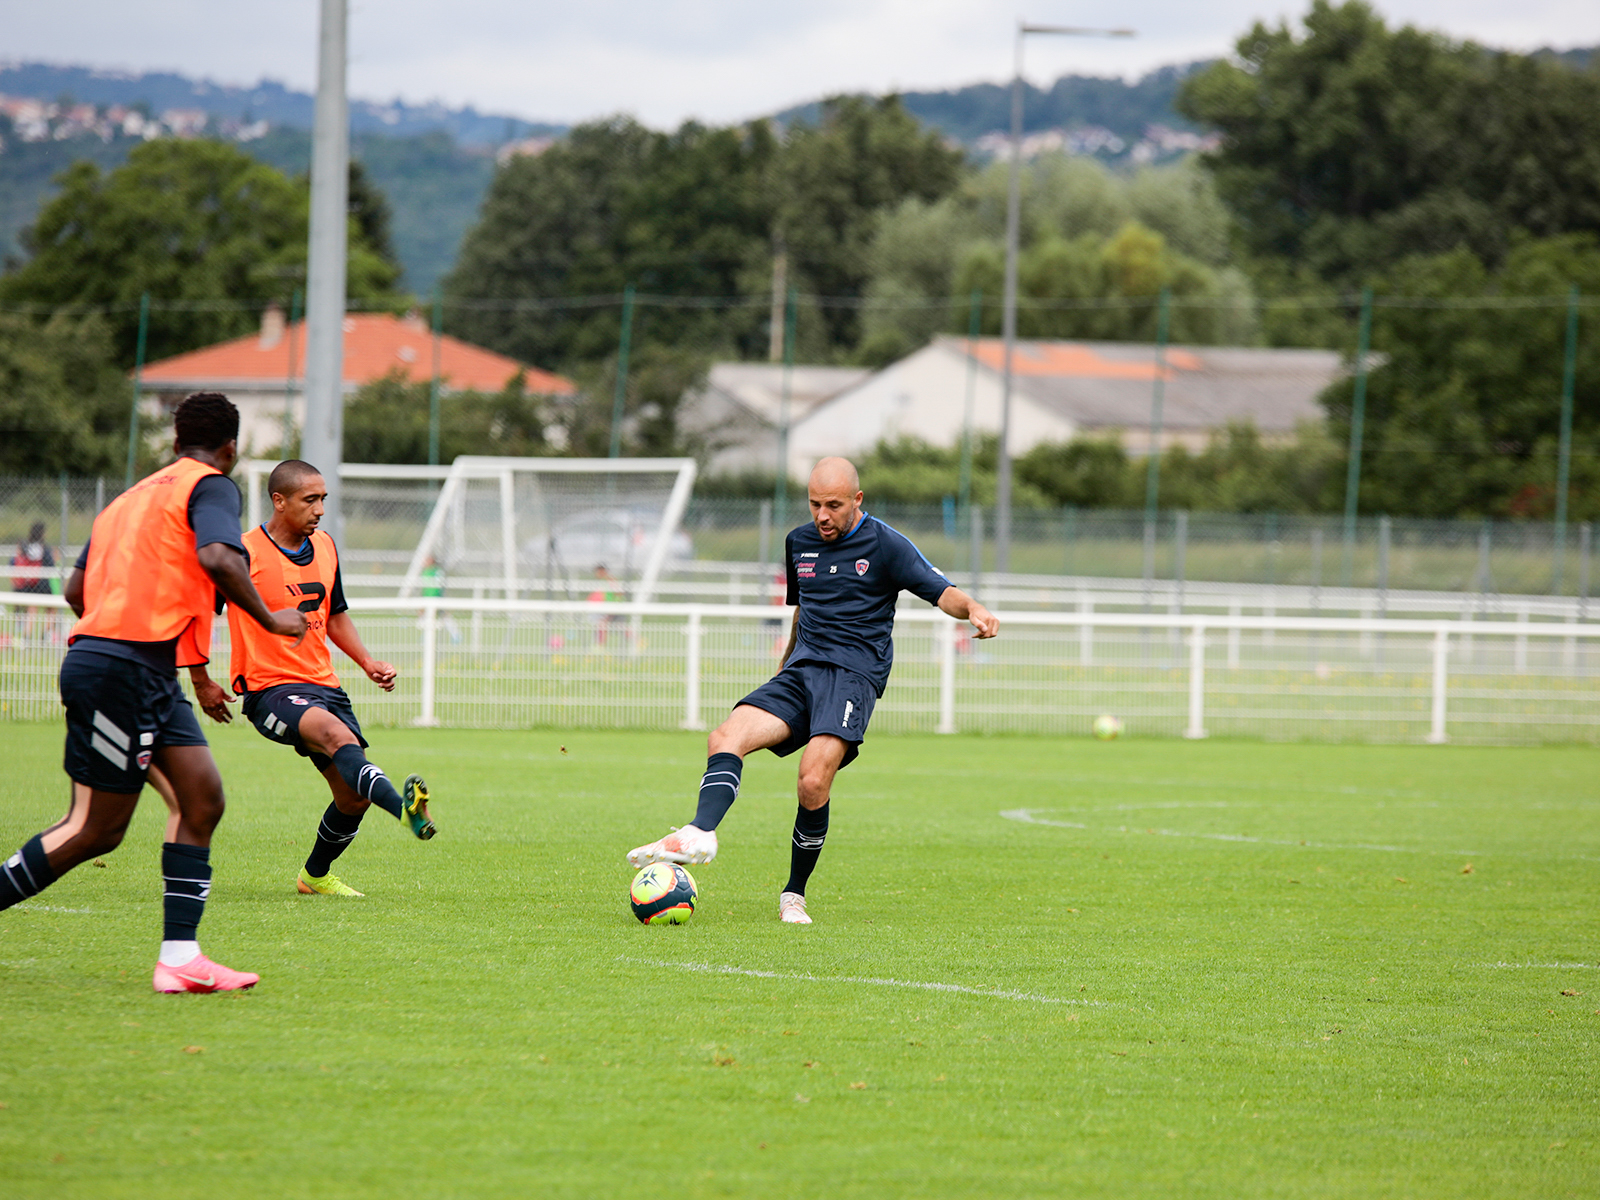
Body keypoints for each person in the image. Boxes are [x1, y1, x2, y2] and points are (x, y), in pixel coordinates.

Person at [0, 392, 307, 993]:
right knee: (95, 828)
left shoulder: (127, 500)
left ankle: (181, 958)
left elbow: (74, 589)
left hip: (141, 669)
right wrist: (271, 619)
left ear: (172, 442)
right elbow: (218, 556)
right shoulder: (211, 484)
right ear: (230, 448)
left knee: (201, 800)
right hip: (125, 669)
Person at [627, 456, 998, 924]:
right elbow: (803, 611)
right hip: (801, 672)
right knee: (724, 738)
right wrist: (783, 668)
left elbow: (942, 591)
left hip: (853, 677)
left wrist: (976, 610)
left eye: (834, 505)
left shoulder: (886, 545)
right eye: (815, 504)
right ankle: (700, 832)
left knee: (812, 780)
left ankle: (793, 894)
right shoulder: (798, 542)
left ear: (857, 500)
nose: (822, 515)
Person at [226, 459, 435, 898]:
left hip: (324, 684)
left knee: (352, 797)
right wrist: (200, 678)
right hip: (270, 688)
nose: (320, 509)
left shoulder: (325, 547)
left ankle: (314, 876)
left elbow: (333, 615)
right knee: (336, 735)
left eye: (323, 499)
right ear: (279, 501)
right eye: (310, 499)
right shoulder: (242, 552)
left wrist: (366, 661)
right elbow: (199, 609)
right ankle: (404, 811)